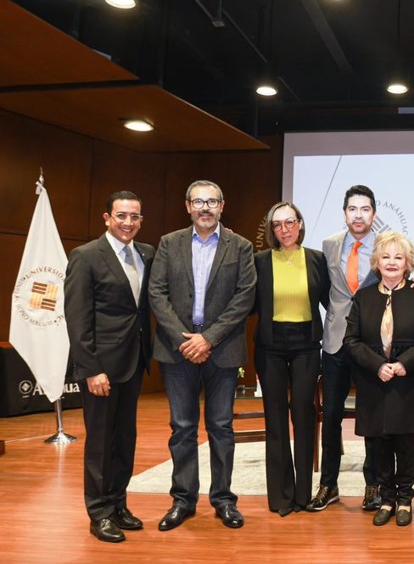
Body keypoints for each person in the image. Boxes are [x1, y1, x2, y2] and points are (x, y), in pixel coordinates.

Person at [148, 179, 256, 531]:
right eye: (198, 202)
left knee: (221, 427)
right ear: (188, 206)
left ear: (222, 206)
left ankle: (223, 499)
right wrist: (186, 340)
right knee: (182, 428)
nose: (205, 208)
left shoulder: (239, 246)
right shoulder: (169, 243)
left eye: (212, 202)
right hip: (177, 350)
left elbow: (244, 298)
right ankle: (183, 499)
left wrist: (207, 339)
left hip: (222, 350)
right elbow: (157, 293)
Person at [65, 191, 154, 543]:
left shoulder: (145, 253)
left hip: (133, 363)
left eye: (134, 216)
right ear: (107, 218)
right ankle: (99, 512)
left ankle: (118, 503)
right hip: (101, 367)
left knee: (124, 440)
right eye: (121, 215)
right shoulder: (86, 256)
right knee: (100, 443)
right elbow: (77, 317)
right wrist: (90, 368)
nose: (128, 222)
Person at [342, 232, 414, 527]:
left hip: (407, 382)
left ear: (408, 263)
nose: (392, 262)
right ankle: (386, 499)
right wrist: (378, 366)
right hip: (375, 381)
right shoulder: (364, 296)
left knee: (404, 444)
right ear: (376, 262)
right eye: (386, 257)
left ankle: (405, 500)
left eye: (398, 257)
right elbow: (351, 340)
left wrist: (403, 364)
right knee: (379, 445)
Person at [252, 201, 330, 516]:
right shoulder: (259, 261)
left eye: (290, 222)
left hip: (306, 346)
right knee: (275, 418)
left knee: (303, 414)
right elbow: (247, 302)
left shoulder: (316, 259)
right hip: (269, 346)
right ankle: (281, 496)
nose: (284, 229)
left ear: (299, 224)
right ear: (272, 230)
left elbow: (331, 299)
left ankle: (302, 494)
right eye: (278, 224)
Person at [310, 184, 381, 513]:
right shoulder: (329, 244)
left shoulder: (386, 246)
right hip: (337, 340)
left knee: (371, 417)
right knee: (332, 416)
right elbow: (327, 291)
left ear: (374, 214)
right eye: (353, 209)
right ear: (344, 213)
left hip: (373, 342)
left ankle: (373, 484)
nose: (358, 215)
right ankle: (329, 484)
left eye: (365, 209)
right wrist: (341, 316)